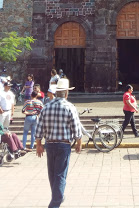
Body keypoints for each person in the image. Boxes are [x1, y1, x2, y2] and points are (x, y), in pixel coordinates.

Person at [35, 78, 82, 208]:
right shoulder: (70, 107)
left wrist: (39, 145)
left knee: (52, 174)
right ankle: (56, 201)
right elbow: (76, 127)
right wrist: (79, 142)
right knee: (60, 175)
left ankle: (58, 197)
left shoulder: (46, 107)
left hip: (49, 144)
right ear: (66, 93)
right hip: (63, 145)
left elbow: (39, 128)